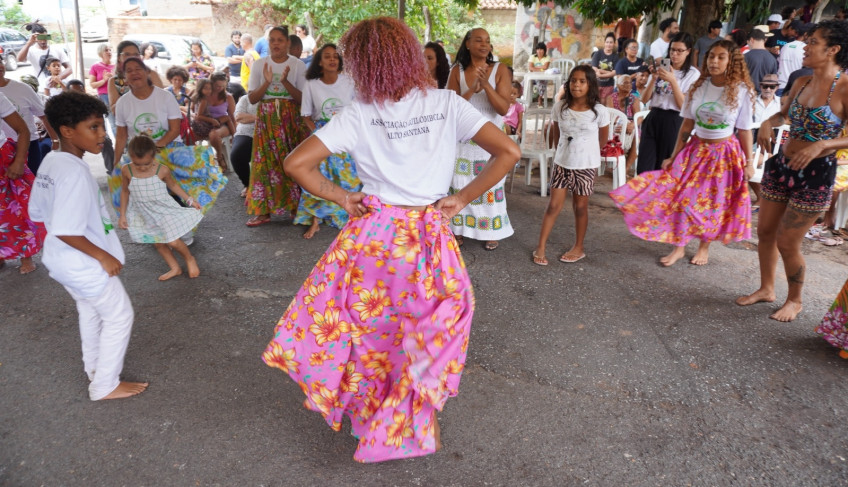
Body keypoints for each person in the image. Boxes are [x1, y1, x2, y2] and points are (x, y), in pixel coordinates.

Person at [261, 16, 519, 463]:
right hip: (426, 234)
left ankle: (383, 419)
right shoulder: (446, 104)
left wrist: (343, 197)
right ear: (409, 55)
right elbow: (509, 152)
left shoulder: (359, 113)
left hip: (373, 238)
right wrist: (461, 198)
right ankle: (416, 413)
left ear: (362, 64)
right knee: (435, 325)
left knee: (373, 337)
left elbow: (296, 165)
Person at [28, 91, 148, 401]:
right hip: (82, 263)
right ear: (67, 131)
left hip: (61, 261)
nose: (102, 135)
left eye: (102, 126)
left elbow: (37, 213)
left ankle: (94, 368)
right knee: (119, 315)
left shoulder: (51, 161)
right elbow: (68, 230)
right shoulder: (74, 172)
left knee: (91, 311)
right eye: (93, 127)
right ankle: (104, 385)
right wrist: (103, 256)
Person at [737, 20, 848, 322]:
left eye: (813, 42)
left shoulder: (846, 86)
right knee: (765, 232)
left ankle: (795, 300)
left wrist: (822, 144)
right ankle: (766, 288)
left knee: (788, 241)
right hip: (782, 166)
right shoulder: (802, 82)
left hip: (816, 173)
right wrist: (766, 122)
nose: (804, 47)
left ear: (833, 49)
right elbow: (783, 114)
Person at [612, 39, 755, 267]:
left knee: (712, 203)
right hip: (696, 150)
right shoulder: (700, 85)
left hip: (724, 154)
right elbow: (686, 126)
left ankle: (704, 247)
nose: (715, 61)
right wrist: (674, 156)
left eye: (721, 57)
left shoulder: (741, 90)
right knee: (683, 198)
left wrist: (749, 162)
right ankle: (679, 247)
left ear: (732, 61)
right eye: (711, 57)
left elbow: (745, 130)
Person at [109, 57, 226, 220]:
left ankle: (184, 219)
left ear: (147, 72)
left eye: (138, 69)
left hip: (169, 146)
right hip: (140, 153)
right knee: (121, 182)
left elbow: (174, 129)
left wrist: (155, 148)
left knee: (182, 183)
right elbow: (121, 136)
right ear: (124, 77)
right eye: (129, 71)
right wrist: (116, 163)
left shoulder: (165, 97)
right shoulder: (122, 103)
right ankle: (151, 225)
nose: (134, 73)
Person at [533, 66, 609, 266]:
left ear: (590, 84)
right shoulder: (560, 107)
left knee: (580, 207)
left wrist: (586, 156)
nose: (577, 84)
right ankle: (540, 246)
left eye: (582, 81)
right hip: (561, 164)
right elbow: (557, 135)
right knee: (553, 206)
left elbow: (602, 140)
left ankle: (579, 247)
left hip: (585, 166)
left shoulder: (599, 111)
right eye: (574, 80)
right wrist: (560, 154)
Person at [448, 28, 514, 251]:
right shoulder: (456, 71)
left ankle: (490, 230)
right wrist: (472, 90)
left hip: (490, 137)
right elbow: (451, 107)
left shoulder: (500, 70)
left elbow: (503, 108)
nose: (484, 45)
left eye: (487, 41)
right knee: (460, 182)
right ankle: (458, 230)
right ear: (467, 44)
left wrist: (486, 85)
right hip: (464, 138)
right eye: (478, 40)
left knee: (490, 183)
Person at [294, 43, 361, 239]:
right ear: (320, 62)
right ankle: (315, 221)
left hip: (348, 132)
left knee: (351, 176)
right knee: (317, 174)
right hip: (321, 133)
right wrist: (318, 134)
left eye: (335, 56)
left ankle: (352, 216)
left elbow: (358, 111)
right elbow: (306, 115)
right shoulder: (311, 84)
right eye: (327, 56)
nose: (332, 59)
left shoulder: (349, 81)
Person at [245, 26, 310, 227]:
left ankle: (294, 208)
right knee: (263, 162)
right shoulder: (258, 65)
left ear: (287, 43)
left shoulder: (298, 65)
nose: (275, 44)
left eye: (280, 40)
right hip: (266, 118)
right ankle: (262, 212)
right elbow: (253, 99)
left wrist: (284, 82)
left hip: (290, 118)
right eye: (272, 40)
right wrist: (267, 82)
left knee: (291, 160)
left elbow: (303, 99)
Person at [118, 134, 202, 281]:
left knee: (173, 241)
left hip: (164, 210)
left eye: (147, 163)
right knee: (158, 242)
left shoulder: (162, 170)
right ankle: (174, 268)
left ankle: (189, 258)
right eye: (138, 164)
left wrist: (189, 200)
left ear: (154, 155)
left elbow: (173, 186)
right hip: (145, 212)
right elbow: (125, 191)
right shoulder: (127, 170)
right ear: (130, 156)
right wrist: (123, 215)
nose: (142, 168)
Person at [637, 32, 700, 174]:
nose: (675, 55)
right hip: (654, 116)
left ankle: (659, 196)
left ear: (688, 51)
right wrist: (653, 79)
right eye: (672, 50)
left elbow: (683, 105)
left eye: (679, 51)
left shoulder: (692, 74)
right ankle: (644, 195)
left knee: (664, 167)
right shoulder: (662, 68)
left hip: (674, 120)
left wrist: (672, 80)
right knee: (644, 167)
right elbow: (644, 99)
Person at [0, 91, 44, 274]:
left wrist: (19, 161)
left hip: (3, 159)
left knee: (14, 210)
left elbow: (23, 130)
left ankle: (26, 255)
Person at [0, 61, 58, 174]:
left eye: (0, 62)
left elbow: (43, 116)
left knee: (32, 185)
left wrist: (55, 141)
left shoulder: (22, 88)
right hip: (3, 148)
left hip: (28, 145)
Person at [191, 72, 235, 171]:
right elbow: (193, 111)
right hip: (205, 124)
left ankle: (219, 157)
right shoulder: (204, 94)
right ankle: (195, 163)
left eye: (223, 86)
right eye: (217, 86)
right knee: (188, 136)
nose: (220, 88)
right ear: (211, 83)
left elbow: (232, 116)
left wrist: (235, 134)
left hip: (222, 124)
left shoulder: (228, 97)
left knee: (214, 135)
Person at [108, 40, 165, 114]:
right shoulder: (114, 81)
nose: (132, 57)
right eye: (127, 54)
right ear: (119, 57)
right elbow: (114, 110)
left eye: (136, 54)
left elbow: (162, 99)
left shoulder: (151, 74)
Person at [88, 43, 116, 171]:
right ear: (101, 52)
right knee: (102, 127)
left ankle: (123, 150)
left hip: (114, 97)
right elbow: (92, 85)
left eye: (110, 49)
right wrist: (104, 80)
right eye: (106, 50)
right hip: (102, 97)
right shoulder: (96, 66)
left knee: (115, 124)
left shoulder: (115, 66)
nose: (109, 52)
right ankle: (110, 161)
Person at [606, 74, 642, 172]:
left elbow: (639, 117)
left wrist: (631, 125)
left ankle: (625, 168)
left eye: (630, 82)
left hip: (630, 127)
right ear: (618, 85)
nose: (629, 85)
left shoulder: (634, 98)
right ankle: (616, 164)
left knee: (637, 138)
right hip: (615, 126)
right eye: (625, 82)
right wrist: (620, 123)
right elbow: (610, 115)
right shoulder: (611, 98)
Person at [229, 94, 257, 196]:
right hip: (247, 132)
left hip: (271, 133)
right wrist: (260, 118)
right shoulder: (245, 98)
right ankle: (248, 184)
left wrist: (250, 117)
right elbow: (239, 117)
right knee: (237, 155)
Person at [777, 22, 812, 95]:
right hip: (792, 89)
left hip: (779, 85)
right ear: (806, 35)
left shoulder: (786, 46)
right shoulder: (806, 50)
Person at [745, 28, 778, 93]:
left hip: (746, 93)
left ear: (751, 40)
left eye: (747, 43)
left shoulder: (746, 56)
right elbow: (773, 81)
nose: (748, 46)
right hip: (762, 95)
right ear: (764, 40)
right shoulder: (773, 59)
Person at [592, 32, 619, 103]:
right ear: (604, 43)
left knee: (605, 104)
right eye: (607, 42)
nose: (609, 44)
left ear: (614, 44)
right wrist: (608, 72)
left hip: (609, 85)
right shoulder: (598, 54)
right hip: (596, 84)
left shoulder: (615, 57)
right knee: (595, 103)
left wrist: (601, 74)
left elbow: (614, 72)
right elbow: (594, 68)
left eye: (611, 42)